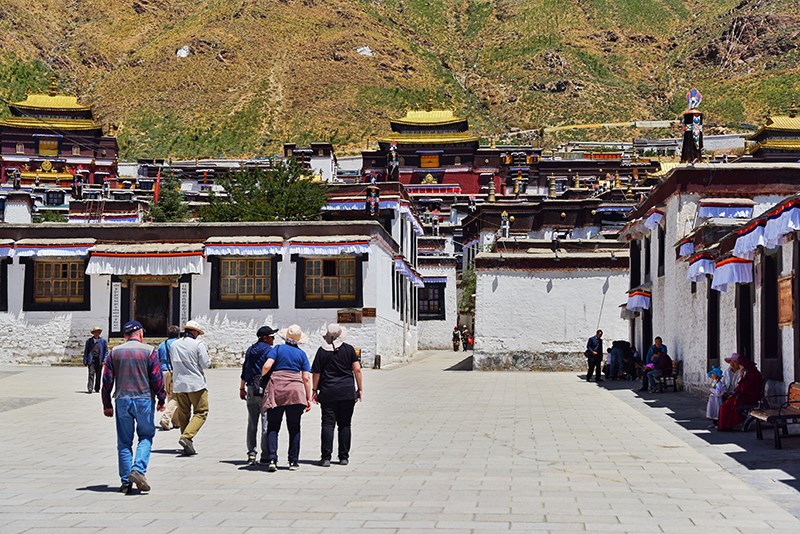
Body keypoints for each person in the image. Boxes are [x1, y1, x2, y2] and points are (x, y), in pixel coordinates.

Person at [101, 320, 165, 494]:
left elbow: (106, 380)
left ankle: (125, 481)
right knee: (145, 436)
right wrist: (161, 397)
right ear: (141, 334)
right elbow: (156, 378)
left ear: (125, 335)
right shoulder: (150, 351)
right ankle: (138, 469)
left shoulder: (114, 352)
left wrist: (106, 403)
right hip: (144, 399)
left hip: (122, 399)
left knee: (124, 442)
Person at [261, 324, 312, 472]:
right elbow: (306, 378)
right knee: (294, 427)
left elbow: (266, 366)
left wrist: (262, 378)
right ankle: (293, 461)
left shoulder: (277, 349)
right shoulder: (302, 354)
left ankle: (272, 459)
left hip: (277, 390)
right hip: (295, 392)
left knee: (273, 426)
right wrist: (308, 398)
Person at [311, 324, 363, 467]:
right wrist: (360, 389)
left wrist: (314, 390)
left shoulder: (321, 351)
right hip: (347, 391)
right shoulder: (349, 349)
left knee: (328, 424)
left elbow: (316, 373)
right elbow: (357, 370)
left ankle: (326, 457)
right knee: (345, 424)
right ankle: (343, 457)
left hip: (328, 392)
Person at [171, 320, 210, 456]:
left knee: (183, 413)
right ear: (194, 332)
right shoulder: (198, 344)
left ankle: (187, 442)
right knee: (201, 412)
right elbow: (205, 364)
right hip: (195, 383)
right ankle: (186, 437)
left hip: (179, 383)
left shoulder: (174, 344)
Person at [239, 325, 277, 465]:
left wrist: (241, 387)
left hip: (250, 388)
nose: (273, 339)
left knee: (251, 422)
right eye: (272, 336)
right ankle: (265, 454)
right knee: (266, 421)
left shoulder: (250, 350)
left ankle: (251, 453)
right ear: (265, 338)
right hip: (265, 388)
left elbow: (245, 369)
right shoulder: (270, 351)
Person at [717, 354, 763, 431]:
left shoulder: (753, 374)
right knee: (725, 405)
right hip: (743, 395)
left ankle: (727, 426)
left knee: (726, 407)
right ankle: (725, 425)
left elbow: (745, 388)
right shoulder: (749, 373)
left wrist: (741, 377)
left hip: (749, 397)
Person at [157, 325, 181, 431]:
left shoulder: (162, 345)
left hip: (163, 372)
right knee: (176, 397)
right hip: (174, 372)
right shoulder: (178, 344)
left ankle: (176, 421)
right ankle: (165, 418)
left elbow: (157, 360)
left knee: (170, 396)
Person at [83, 327, 109, 394]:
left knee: (98, 374)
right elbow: (86, 351)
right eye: (95, 332)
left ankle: (97, 387)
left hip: (99, 360)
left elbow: (106, 351)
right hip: (91, 360)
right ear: (93, 333)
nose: (96, 334)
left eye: (98, 332)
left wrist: (105, 359)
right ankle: (90, 388)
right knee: (91, 373)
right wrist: (85, 360)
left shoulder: (103, 341)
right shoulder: (89, 341)